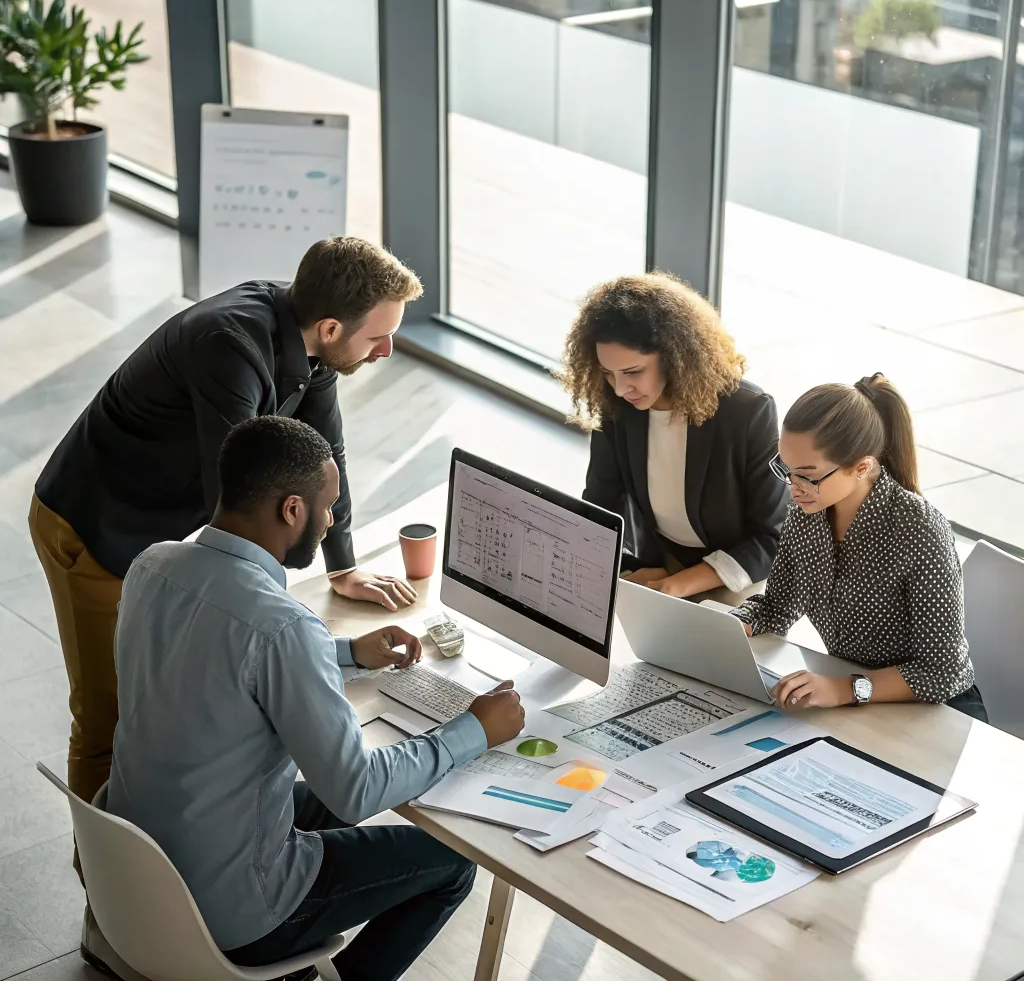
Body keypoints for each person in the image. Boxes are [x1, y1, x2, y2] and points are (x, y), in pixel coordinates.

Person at [105, 416, 525, 981]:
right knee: (452, 866)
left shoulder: (151, 565)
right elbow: (357, 790)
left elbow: (222, 656)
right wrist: (473, 729)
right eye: (328, 507)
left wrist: (347, 653)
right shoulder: (283, 627)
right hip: (233, 914)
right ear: (292, 510)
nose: (331, 521)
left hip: (140, 872)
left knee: (316, 802)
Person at [29, 236, 424, 828]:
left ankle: (172, 856)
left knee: (172, 704)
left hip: (156, 529)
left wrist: (342, 565)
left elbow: (327, 455)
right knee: (108, 719)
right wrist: (280, 628)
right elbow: (237, 497)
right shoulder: (228, 344)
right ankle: (106, 877)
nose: (387, 350)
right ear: (332, 327)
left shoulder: (312, 344)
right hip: (92, 529)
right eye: (378, 336)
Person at [733, 373, 987, 721]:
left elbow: (943, 671)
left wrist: (844, 690)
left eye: (807, 475)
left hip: (936, 712)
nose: (793, 487)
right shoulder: (806, 515)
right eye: (787, 470)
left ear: (862, 467)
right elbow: (777, 608)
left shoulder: (919, 529)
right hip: (854, 702)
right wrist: (723, 628)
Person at [561, 272, 788, 603]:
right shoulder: (618, 408)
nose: (620, 389)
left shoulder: (747, 411)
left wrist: (677, 584)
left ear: (673, 355)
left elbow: (771, 536)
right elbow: (601, 506)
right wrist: (626, 568)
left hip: (734, 574)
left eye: (633, 372)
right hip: (659, 564)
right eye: (608, 374)